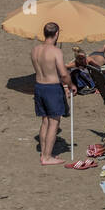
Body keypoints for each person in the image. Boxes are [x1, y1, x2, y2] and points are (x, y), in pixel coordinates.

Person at [31, 23, 75, 166]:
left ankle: (44, 154)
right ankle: (48, 156)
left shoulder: (35, 50)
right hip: (52, 88)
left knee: (45, 121)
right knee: (54, 122)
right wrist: (71, 85)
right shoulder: (56, 52)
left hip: (39, 86)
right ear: (56, 34)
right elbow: (63, 74)